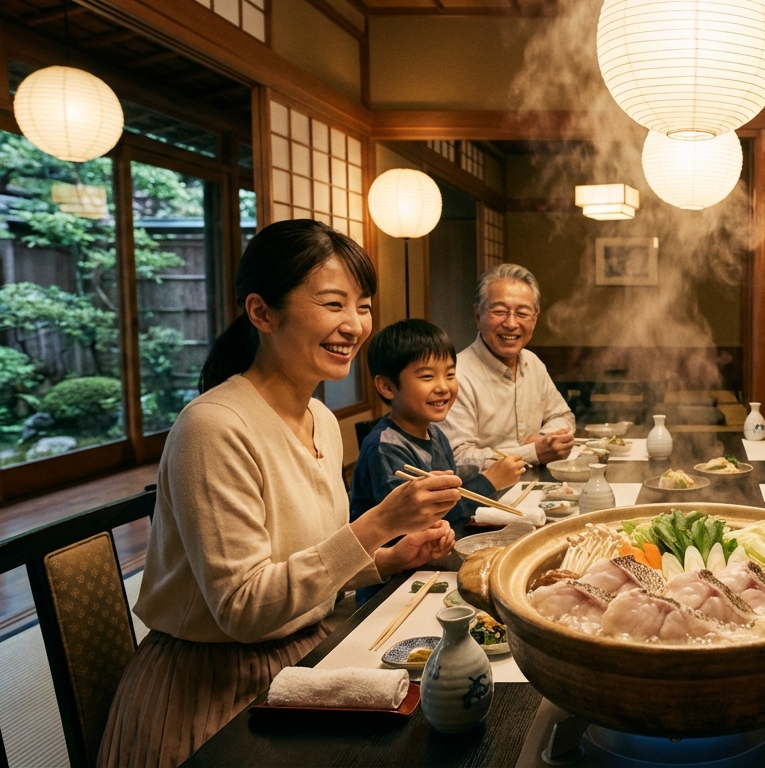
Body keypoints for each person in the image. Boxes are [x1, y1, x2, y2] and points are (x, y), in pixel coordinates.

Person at [99, 221, 464, 768]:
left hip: (308, 659)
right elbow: (244, 608)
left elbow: (305, 563)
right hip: (217, 688)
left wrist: (386, 559)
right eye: (333, 304)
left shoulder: (319, 414)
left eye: (362, 306)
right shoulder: (214, 426)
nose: (354, 325)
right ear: (261, 312)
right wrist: (377, 526)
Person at [350, 318, 528, 602]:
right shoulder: (385, 448)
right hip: (392, 588)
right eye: (426, 376)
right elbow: (418, 526)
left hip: (430, 568)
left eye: (449, 374)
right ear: (386, 387)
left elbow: (449, 503)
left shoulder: (436, 434)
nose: (443, 387)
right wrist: (489, 481)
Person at [441, 263, 576, 469]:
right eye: (500, 311)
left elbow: (563, 416)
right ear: (478, 315)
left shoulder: (532, 363)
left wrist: (542, 438)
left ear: (535, 317)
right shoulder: (456, 376)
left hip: (535, 490)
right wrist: (533, 453)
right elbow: (458, 458)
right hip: (484, 497)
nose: (511, 324)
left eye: (522, 313)